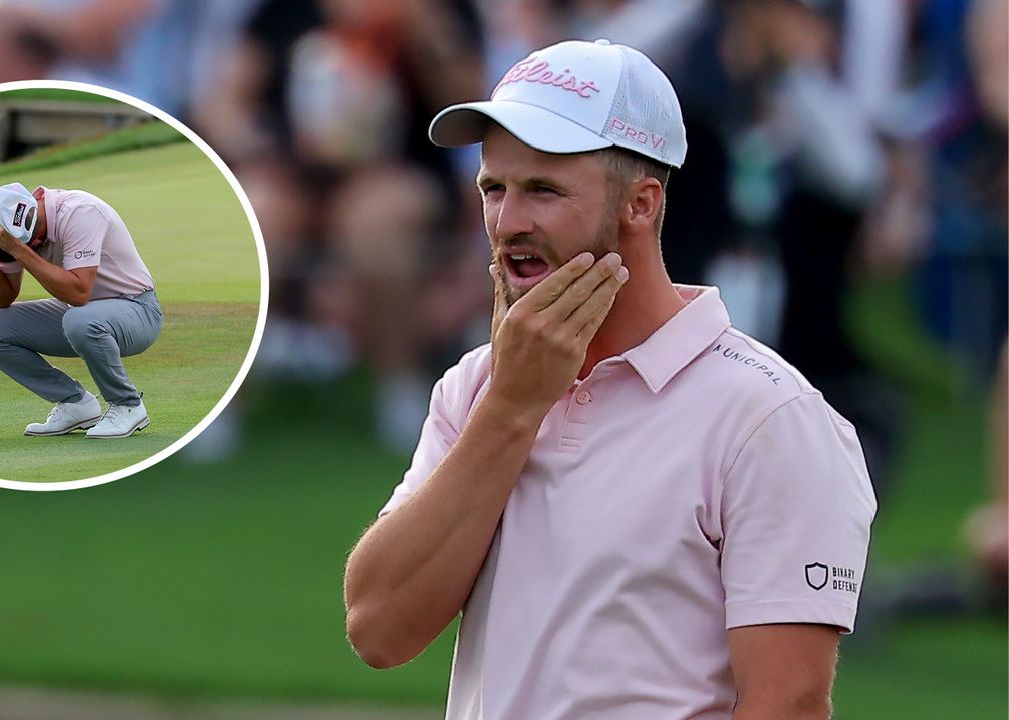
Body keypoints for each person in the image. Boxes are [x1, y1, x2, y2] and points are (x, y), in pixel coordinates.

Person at [343, 40, 876, 719]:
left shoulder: (769, 417)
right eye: (493, 189)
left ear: (642, 204)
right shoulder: (477, 388)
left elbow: (790, 702)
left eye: (543, 190)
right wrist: (511, 407)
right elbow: (379, 627)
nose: (508, 223)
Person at [0, 182, 162, 439]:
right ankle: (75, 403)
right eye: (29, 243)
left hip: (137, 310)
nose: (35, 243)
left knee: (79, 320)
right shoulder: (12, 226)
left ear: (35, 199)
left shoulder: (81, 212)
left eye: (36, 239)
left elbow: (79, 293)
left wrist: (21, 250)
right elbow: (3, 298)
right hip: (81, 315)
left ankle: (127, 405)